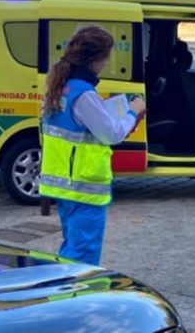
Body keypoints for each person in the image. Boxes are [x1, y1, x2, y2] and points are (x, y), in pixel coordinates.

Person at [39, 25, 146, 266]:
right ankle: (72, 299)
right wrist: (133, 111)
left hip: (66, 185)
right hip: (84, 186)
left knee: (71, 248)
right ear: (95, 59)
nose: (107, 63)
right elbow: (112, 134)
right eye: (106, 57)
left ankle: (63, 296)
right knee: (82, 259)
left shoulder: (63, 86)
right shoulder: (84, 94)